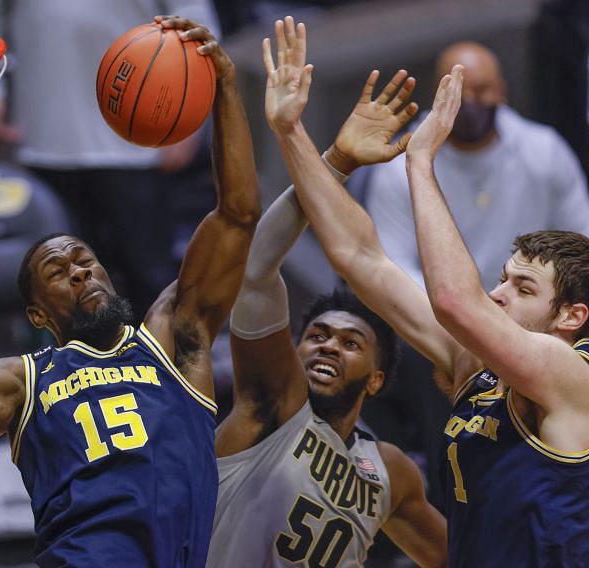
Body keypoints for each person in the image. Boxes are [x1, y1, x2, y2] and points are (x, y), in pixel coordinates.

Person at [0, 16, 260, 567]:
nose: (78, 272)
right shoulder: (29, 377)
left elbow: (237, 217)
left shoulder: (173, 340)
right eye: (57, 272)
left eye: (85, 260)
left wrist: (227, 89)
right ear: (38, 314)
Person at [269, 20, 589, 565]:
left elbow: (454, 302)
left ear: (570, 316)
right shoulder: (476, 365)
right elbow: (359, 258)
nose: (498, 293)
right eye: (503, 278)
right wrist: (290, 132)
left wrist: (420, 159)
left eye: (523, 287)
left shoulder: (572, 375)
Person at [207, 17, 446, 567]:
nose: (328, 346)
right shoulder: (269, 407)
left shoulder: (391, 473)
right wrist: (334, 161)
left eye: (349, 343)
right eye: (316, 336)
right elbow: (256, 265)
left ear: (379, 379)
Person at [0, 0, 221, 317]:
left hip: (138, 145)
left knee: (149, 279)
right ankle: (75, 366)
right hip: (47, 140)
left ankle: (160, 364)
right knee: (59, 288)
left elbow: (195, 21)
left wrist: (190, 121)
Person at [365, 41, 589, 294]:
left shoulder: (544, 151)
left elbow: (581, 242)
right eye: (458, 91)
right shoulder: (400, 164)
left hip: (534, 310)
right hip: (438, 315)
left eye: (481, 90)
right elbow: (395, 266)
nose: (469, 101)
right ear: (437, 95)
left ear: (501, 91)